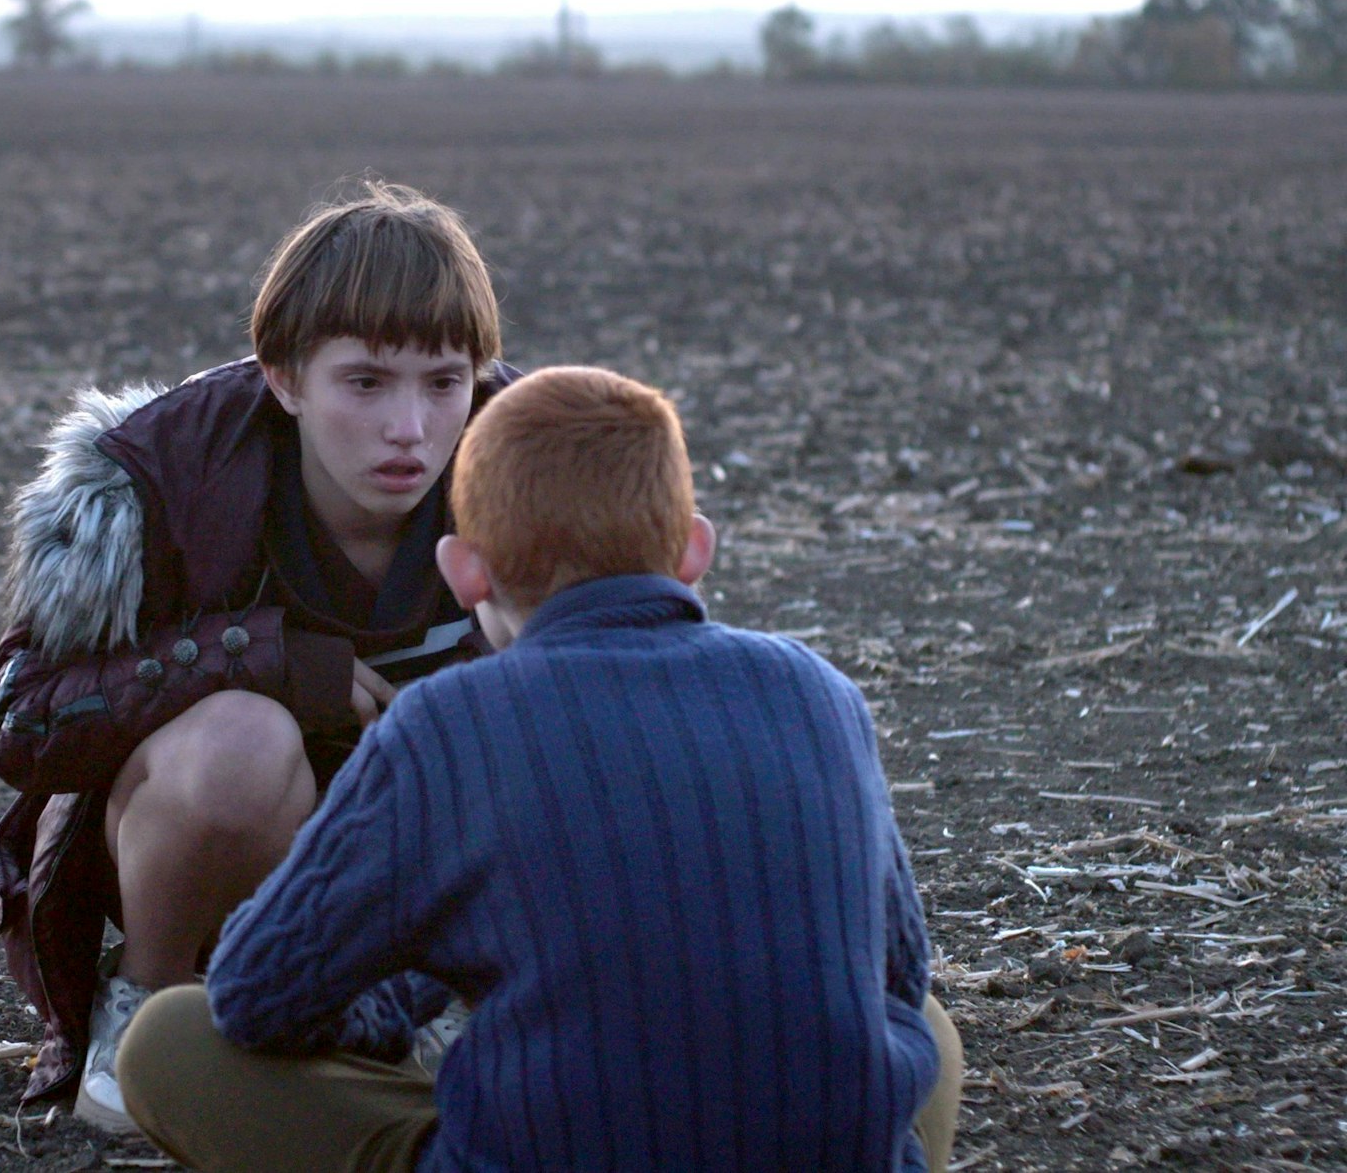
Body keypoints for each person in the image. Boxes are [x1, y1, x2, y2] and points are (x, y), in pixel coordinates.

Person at [114, 366, 965, 1172]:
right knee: (928, 1026)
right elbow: (898, 971)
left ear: (463, 569)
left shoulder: (447, 724)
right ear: (695, 551)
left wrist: (410, 996)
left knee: (166, 1042)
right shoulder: (819, 693)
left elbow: (258, 989)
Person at [0, 182, 516, 1127]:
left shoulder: (532, 461)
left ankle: (445, 1005)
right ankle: (149, 1008)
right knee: (242, 740)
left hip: (427, 872)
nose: (411, 428)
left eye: (444, 381)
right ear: (283, 377)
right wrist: (255, 656)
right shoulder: (161, 471)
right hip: (210, 853)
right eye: (365, 382)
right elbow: (26, 723)